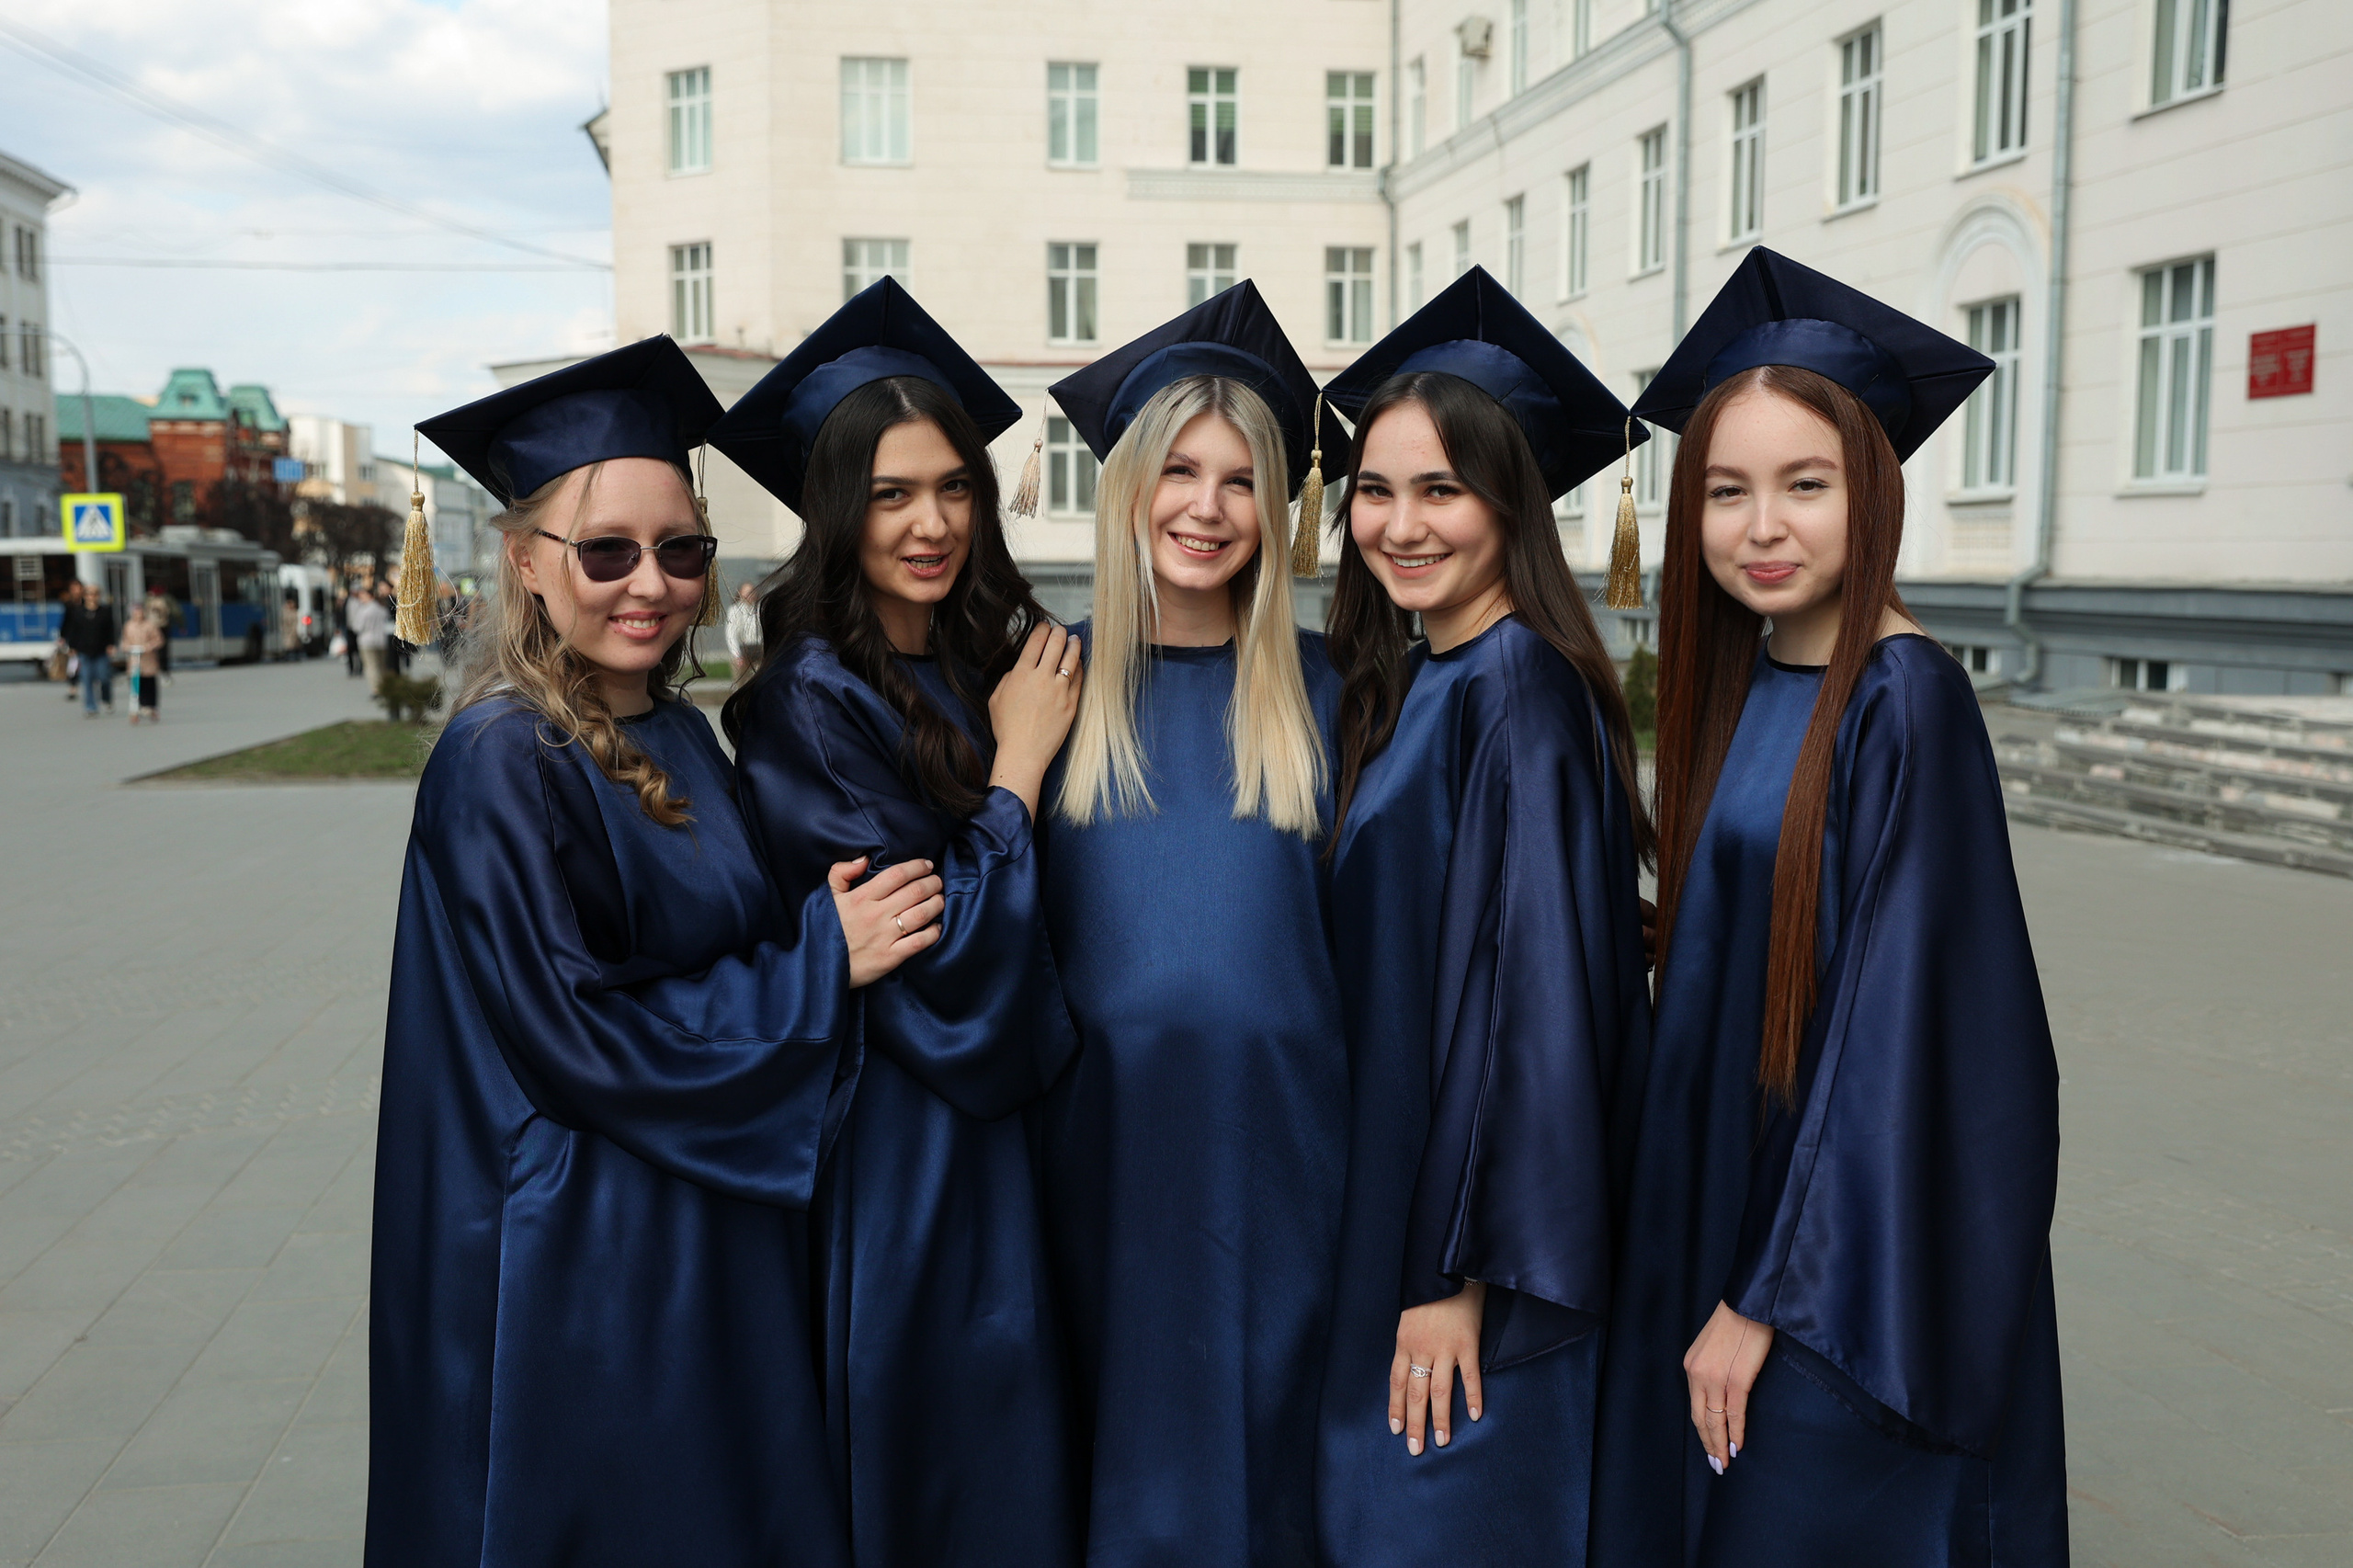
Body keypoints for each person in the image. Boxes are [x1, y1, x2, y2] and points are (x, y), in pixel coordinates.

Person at [370, 336, 931, 1567]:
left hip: (701, 1225)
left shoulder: (679, 730)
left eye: (681, 550)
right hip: (580, 1260)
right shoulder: (503, 759)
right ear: (524, 559)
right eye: (607, 550)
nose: (651, 583)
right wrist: (818, 965)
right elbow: (578, 1038)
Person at [1591, 247, 2067, 1568]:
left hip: (1835, 1274)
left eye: (1807, 484)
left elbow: (1901, 1035)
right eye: (1729, 491)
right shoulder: (1754, 678)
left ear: (1875, 490)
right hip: (1727, 1206)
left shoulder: (1903, 698)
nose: (1763, 525)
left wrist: (1766, 1299)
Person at [710, 278, 1086, 1568]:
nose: (931, 523)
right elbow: (930, 954)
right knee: (949, 1458)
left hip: (1016, 1129)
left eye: (953, 488)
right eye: (889, 494)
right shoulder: (808, 699)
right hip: (913, 1138)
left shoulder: (979, 652)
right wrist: (1020, 773)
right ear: (836, 510)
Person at [1313, 267, 1655, 1565]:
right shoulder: (1431, 675)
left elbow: (1522, 1006)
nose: (1401, 525)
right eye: (1378, 491)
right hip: (1403, 1197)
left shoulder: (1518, 691)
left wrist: (1452, 1279)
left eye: (1441, 490)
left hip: (1469, 1249)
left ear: (1511, 501)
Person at [1029, 280, 1350, 1568]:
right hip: (1100, 1166)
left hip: (1289, 1167)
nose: (1205, 507)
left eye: (1237, 479)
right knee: (1121, 1469)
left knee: (1270, 1485)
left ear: (1276, 505)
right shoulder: (1053, 681)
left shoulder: (1335, 695)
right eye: (1179, 470)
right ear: (1127, 488)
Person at [59, 582, 118, 717]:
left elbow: (112, 629)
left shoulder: (105, 611)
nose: (92, 597)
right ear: (85, 596)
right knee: (87, 678)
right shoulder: (78, 612)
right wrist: (72, 646)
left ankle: (106, 698)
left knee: (104, 677)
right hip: (84, 650)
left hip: (101, 650)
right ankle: (90, 707)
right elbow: (73, 630)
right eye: (89, 594)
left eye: (95, 594)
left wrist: (111, 644)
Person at [118, 603, 165, 723]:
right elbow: (125, 641)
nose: (138, 614)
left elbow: (158, 639)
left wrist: (148, 647)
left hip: (148, 659)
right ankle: (138, 706)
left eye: (140, 611)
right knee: (136, 684)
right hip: (134, 660)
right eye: (136, 612)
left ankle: (151, 706)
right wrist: (128, 647)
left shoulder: (150, 625)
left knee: (149, 683)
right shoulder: (129, 626)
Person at [351, 585, 392, 692]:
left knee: (371, 666)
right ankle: (386, 686)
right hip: (381, 640)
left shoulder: (363, 611)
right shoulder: (381, 609)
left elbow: (357, 627)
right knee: (382, 666)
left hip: (366, 641)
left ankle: (376, 689)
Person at [723, 579, 761, 682]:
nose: (750, 595)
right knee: (741, 682)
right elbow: (731, 635)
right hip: (742, 651)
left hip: (758, 650)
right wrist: (737, 655)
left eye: (752, 591)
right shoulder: (734, 610)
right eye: (747, 592)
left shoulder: (759, 609)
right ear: (740, 593)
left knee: (758, 680)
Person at [143, 583, 175, 681]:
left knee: (153, 648)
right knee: (163, 649)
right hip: (162, 627)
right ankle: (162, 668)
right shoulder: (166, 598)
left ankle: (154, 667)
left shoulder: (147, 599)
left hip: (152, 627)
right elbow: (175, 611)